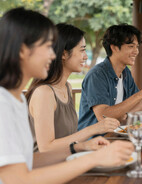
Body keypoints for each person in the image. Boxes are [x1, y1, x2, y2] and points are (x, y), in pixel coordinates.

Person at [0, 8, 133, 184]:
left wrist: (80, 148)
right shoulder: (4, 104)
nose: (53, 54)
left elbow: (30, 161)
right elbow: (18, 179)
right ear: (23, 50)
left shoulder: (17, 99)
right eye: (47, 47)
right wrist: (93, 158)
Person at [26, 24, 120, 152]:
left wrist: (87, 144)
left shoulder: (66, 87)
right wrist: (93, 129)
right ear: (64, 54)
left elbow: (68, 139)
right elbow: (46, 148)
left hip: (66, 161)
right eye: (82, 50)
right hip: (45, 169)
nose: (86, 56)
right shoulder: (44, 93)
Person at [78, 24, 142, 131]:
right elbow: (103, 116)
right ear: (114, 47)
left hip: (116, 134)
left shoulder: (125, 72)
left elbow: (140, 105)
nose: (136, 51)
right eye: (131, 46)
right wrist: (140, 94)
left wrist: (123, 114)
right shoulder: (97, 75)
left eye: (137, 46)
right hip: (95, 140)